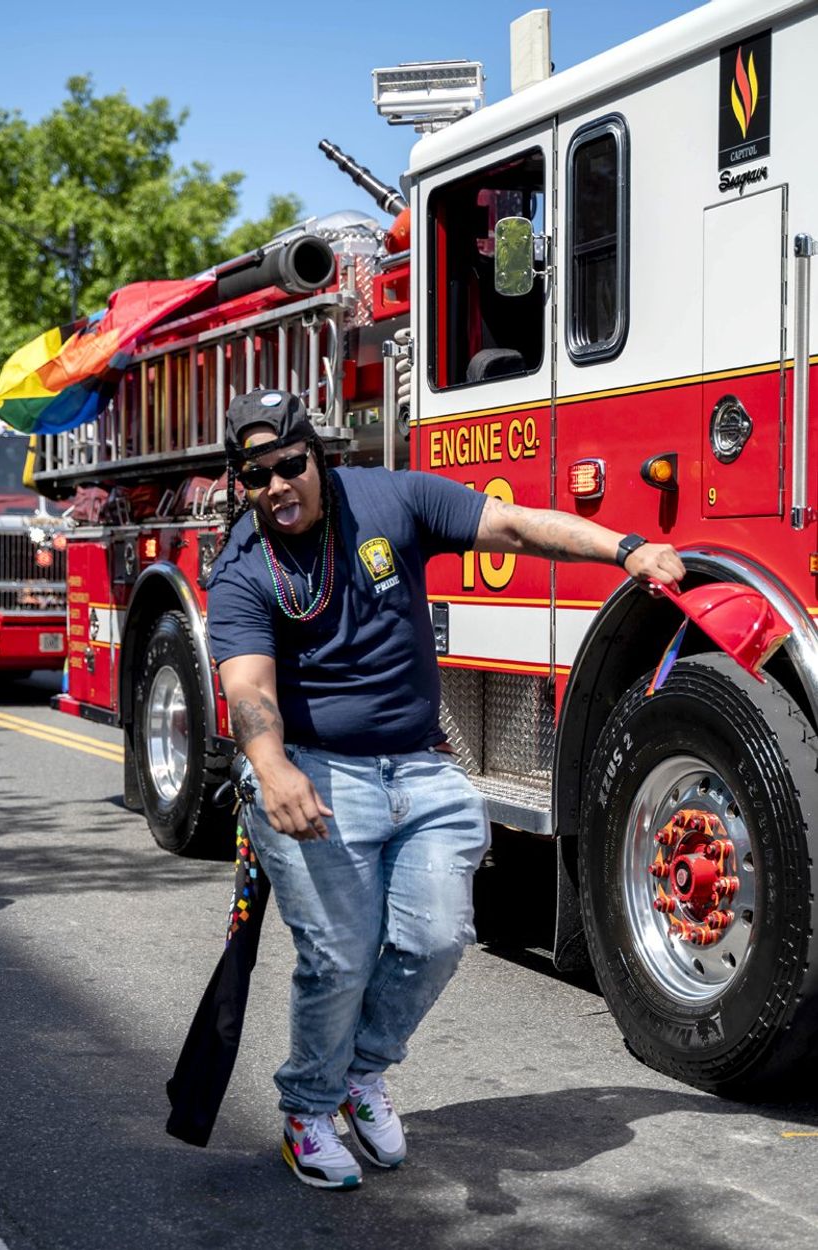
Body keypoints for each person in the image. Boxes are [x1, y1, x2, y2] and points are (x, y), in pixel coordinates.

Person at [206, 388, 685, 1190]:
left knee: (436, 938)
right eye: (258, 476)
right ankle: (306, 1110)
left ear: (318, 456)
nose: (279, 486)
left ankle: (360, 1075)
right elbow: (248, 686)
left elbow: (517, 525)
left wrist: (626, 547)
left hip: (421, 763)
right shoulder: (242, 569)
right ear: (242, 483)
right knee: (341, 956)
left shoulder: (391, 498)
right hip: (319, 771)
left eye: (291, 465)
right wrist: (274, 767)